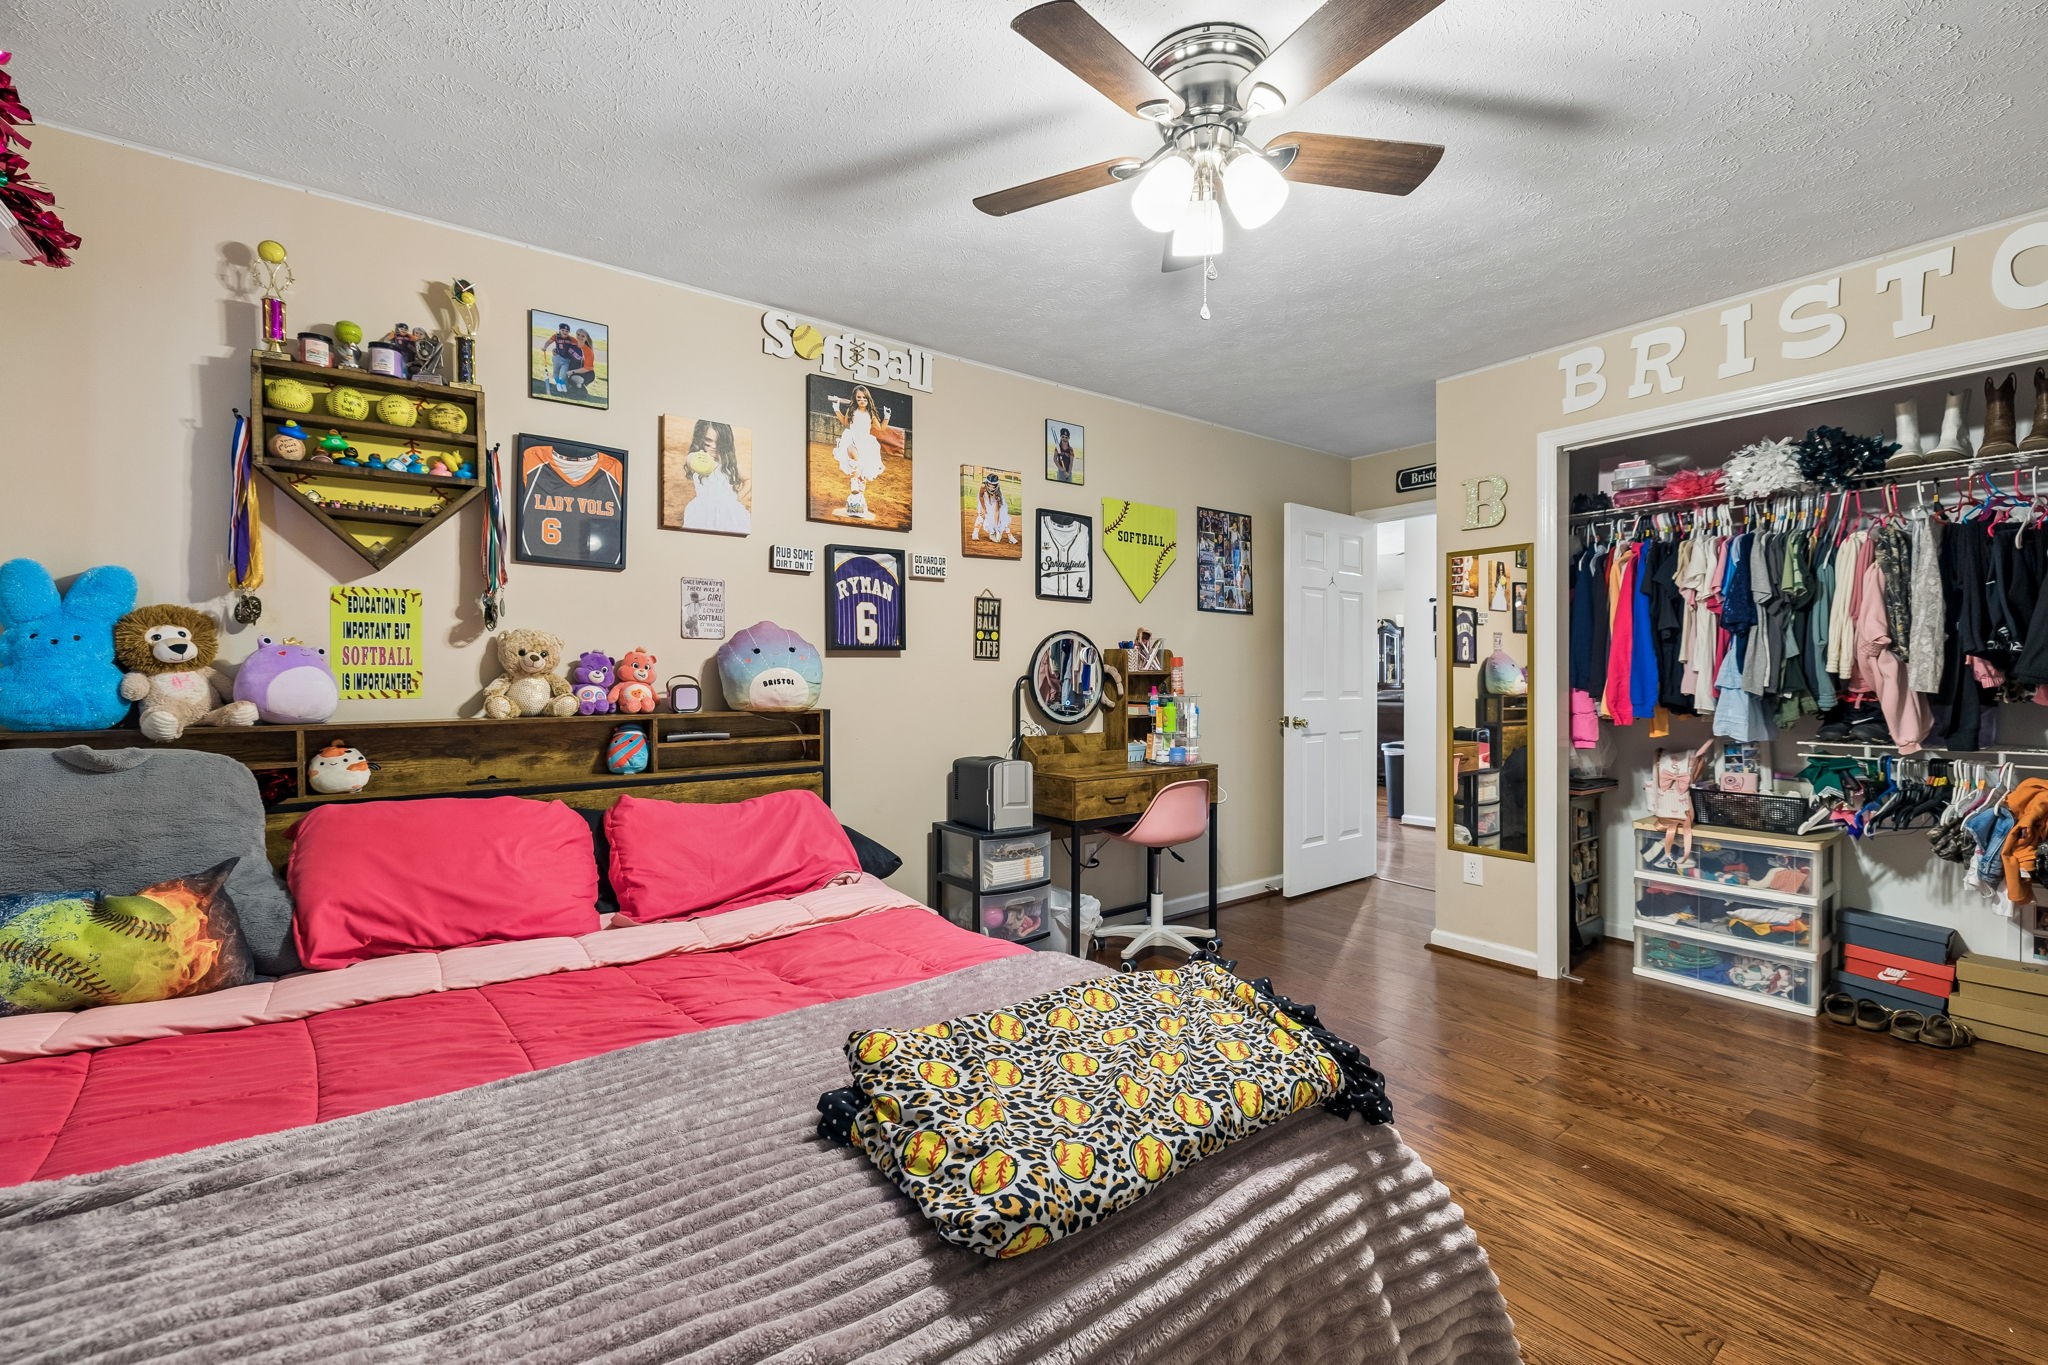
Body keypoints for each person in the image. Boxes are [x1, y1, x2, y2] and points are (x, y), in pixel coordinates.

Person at [681, 419, 749, 534]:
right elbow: (692, 460)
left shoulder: (730, 464)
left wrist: (738, 497)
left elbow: (748, 479)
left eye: (719, 442)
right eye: (708, 440)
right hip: (702, 512)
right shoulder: (696, 458)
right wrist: (704, 456)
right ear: (700, 438)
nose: (714, 446)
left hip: (730, 514)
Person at [830, 385, 885, 520]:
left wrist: (887, 416)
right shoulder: (852, 410)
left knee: (863, 473)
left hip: (865, 443)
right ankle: (853, 481)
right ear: (855, 399)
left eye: (864, 397)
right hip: (852, 439)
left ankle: (858, 500)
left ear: (868, 398)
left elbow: (881, 428)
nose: (861, 400)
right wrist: (836, 409)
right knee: (852, 454)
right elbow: (845, 422)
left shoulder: (871, 414)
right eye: (858, 398)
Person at [971, 471, 1015, 543]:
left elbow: (996, 511)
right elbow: (981, 496)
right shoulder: (983, 486)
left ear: (996, 485)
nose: (991, 487)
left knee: (1003, 517)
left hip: (995, 502)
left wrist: (996, 526)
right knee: (982, 515)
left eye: (993, 485)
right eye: (990, 484)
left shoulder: (998, 493)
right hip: (985, 499)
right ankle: (975, 533)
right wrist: (983, 508)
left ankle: (1009, 536)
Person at [541, 322, 579, 395]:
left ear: (569, 332)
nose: (565, 332)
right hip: (557, 357)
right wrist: (545, 347)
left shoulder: (571, 339)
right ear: (559, 330)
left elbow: (579, 346)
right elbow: (549, 342)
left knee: (563, 374)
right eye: (563, 330)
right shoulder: (556, 336)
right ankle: (558, 384)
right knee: (556, 372)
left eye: (567, 331)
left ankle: (562, 383)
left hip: (566, 360)